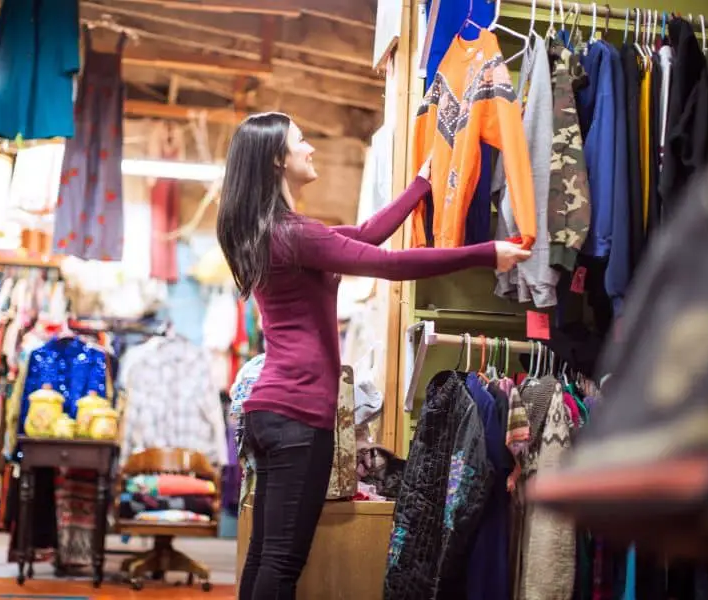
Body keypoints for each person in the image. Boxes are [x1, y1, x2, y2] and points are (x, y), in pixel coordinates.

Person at [216, 112, 530, 599]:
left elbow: (365, 236)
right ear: (278, 157)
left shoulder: (275, 234)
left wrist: (420, 186)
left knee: (265, 556)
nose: (311, 149)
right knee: (280, 562)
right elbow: (388, 264)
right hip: (299, 416)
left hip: (271, 412)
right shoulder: (295, 234)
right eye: (302, 141)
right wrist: (487, 253)